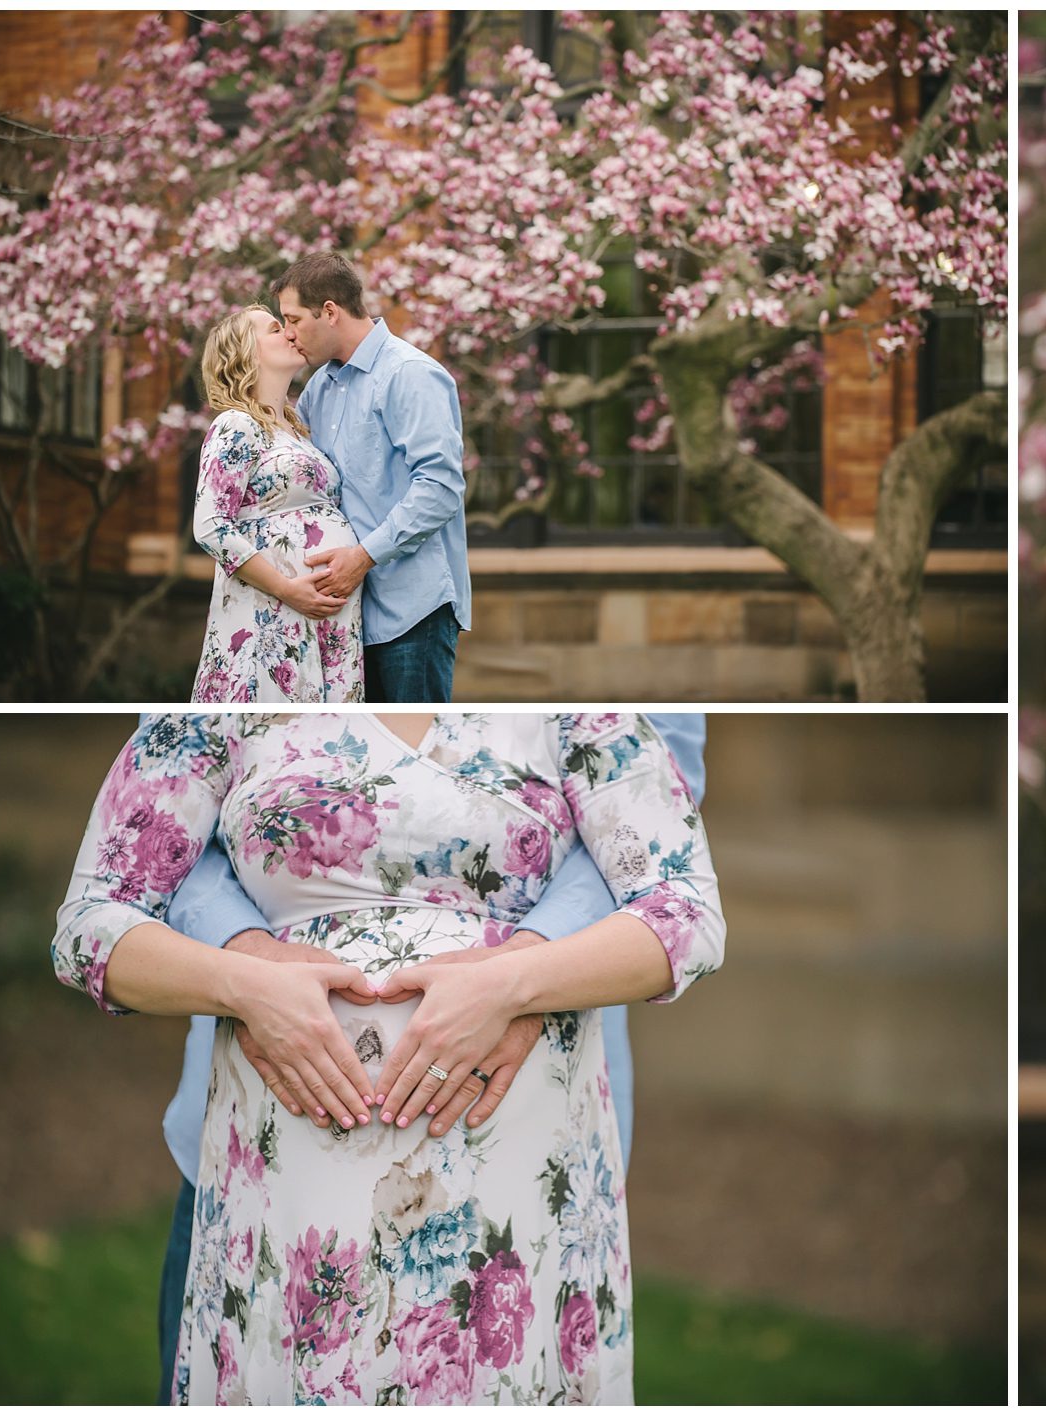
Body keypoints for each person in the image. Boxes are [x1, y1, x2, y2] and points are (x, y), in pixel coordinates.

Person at [53, 713, 724, 1403]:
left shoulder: (585, 718)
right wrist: (245, 981)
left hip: (513, 1202)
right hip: (286, 1195)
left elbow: (685, 915)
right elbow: (92, 922)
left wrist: (511, 983)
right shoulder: (233, 701)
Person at [273, 252, 471, 703]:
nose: (288, 333)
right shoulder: (319, 387)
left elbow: (440, 490)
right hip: (346, 617)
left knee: (409, 752)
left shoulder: (410, 375)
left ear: (329, 311)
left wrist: (363, 557)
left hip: (411, 611)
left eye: (293, 319)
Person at [189, 306, 362, 702]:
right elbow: (211, 526)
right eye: (274, 329)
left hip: (324, 622)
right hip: (270, 614)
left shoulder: (298, 429)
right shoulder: (236, 424)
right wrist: (287, 588)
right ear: (245, 353)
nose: (289, 333)